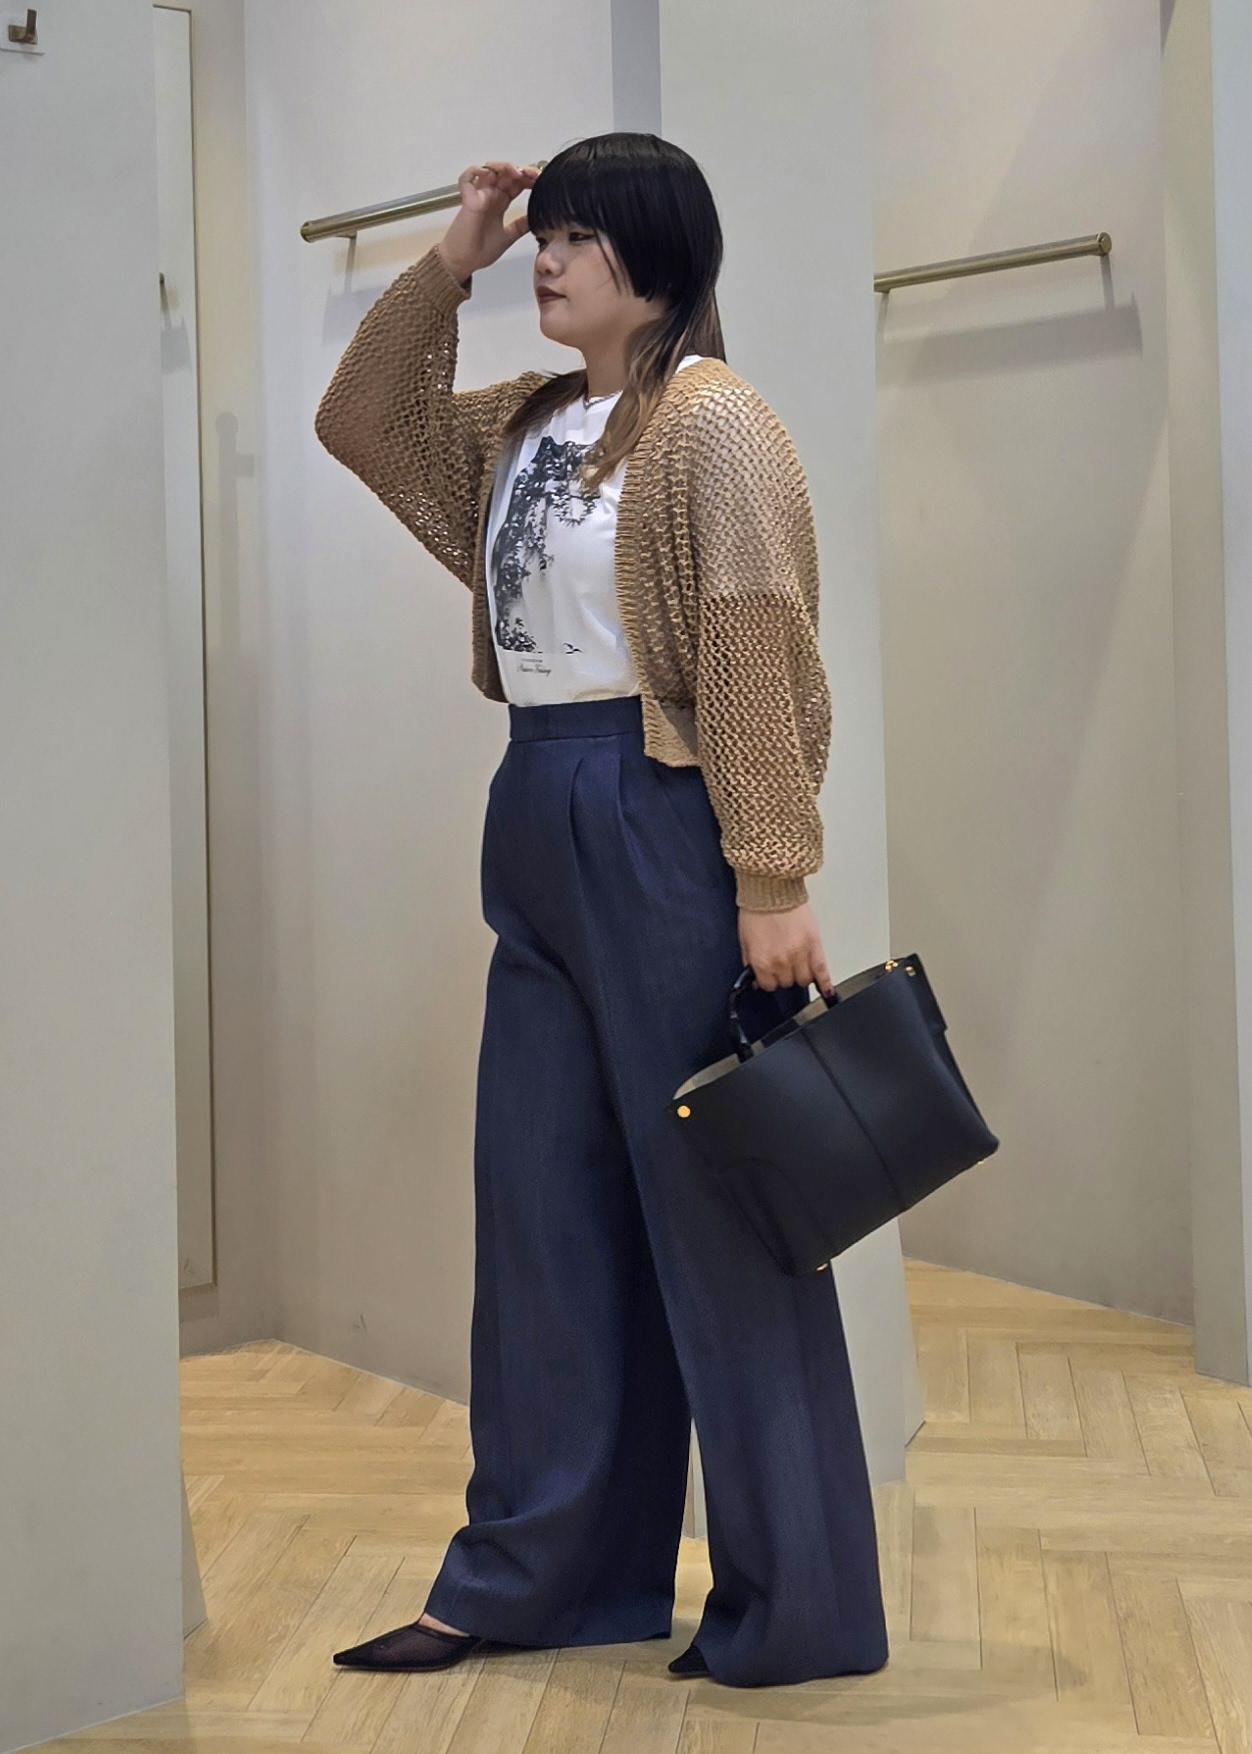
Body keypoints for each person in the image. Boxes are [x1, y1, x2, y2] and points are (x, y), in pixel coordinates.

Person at [315, 133, 889, 1689]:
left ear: (659, 258)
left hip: (660, 816)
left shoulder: (713, 422)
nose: (549, 258)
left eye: (576, 236)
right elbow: (359, 418)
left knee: (724, 1218)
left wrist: (773, 875)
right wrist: (454, 259)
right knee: (540, 1213)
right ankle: (541, 1576)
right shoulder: (524, 423)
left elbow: (757, 644)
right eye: (545, 233)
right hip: (536, 807)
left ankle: (796, 1603)